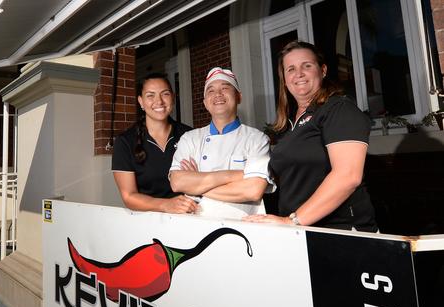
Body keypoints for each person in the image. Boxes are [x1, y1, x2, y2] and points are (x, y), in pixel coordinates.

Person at [244, 40, 377, 231]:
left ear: (322, 70)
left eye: (307, 65)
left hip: (339, 231)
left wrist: (293, 221)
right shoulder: (290, 124)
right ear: (284, 78)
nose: (298, 74)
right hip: (299, 231)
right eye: (290, 69)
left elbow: (348, 176)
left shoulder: (339, 109)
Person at [169, 67, 273, 219]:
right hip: (195, 221)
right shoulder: (190, 138)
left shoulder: (257, 139)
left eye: (225, 88)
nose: (218, 94)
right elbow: (177, 183)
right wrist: (237, 175)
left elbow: (253, 190)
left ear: (239, 97)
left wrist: (197, 183)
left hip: (242, 224)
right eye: (210, 91)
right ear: (205, 103)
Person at [112, 73, 198, 214]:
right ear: (141, 101)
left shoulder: (190, 135)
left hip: (189, 216)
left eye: (165, 94)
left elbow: (201, 183)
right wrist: (166, 205)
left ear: (173, 97)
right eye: (150, 95)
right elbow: (129, 197)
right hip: (147, 222)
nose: (159, 101)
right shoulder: (125, 142)